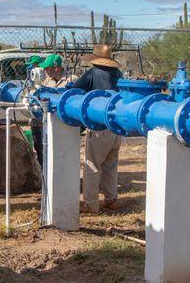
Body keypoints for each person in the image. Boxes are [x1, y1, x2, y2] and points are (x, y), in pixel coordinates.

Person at [73, 44, 123, 213]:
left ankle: (90, 203)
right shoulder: (118, 74)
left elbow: (75, 90)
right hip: (116, 125)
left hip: (99, 124)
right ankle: (111, 199)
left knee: (92, 164)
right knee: (110, 163)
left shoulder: (93, 73)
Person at [30, 54, 79, 167]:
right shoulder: (47, 81)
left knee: (64, 153)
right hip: (50, 123)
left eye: (47, 68)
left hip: (65, 125)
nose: (45, 70)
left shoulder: (71, 79)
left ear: (56, 67)